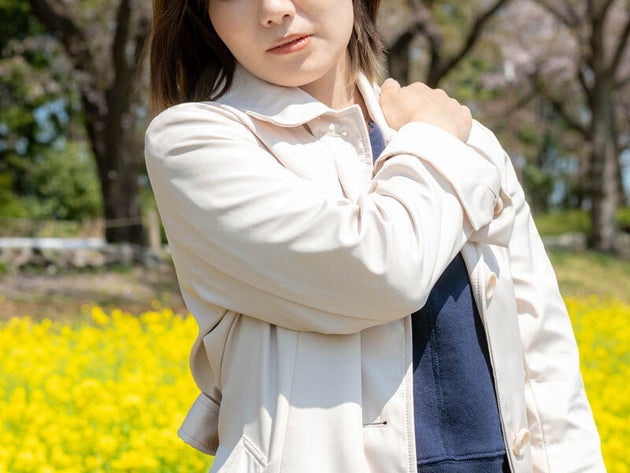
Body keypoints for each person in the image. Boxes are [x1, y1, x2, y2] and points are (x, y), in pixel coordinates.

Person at [144, 0, 606, 472]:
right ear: (204, 15)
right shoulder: (192, 142)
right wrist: (432, 138)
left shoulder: (469, 139)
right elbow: (384, 270)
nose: (274, 10)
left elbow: (540, 346)